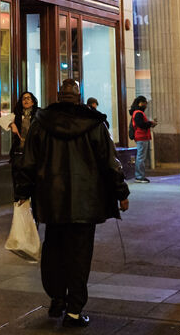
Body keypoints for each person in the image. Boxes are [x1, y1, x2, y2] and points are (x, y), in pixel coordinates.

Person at [16, 78, 129, 328]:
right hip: (85, 201)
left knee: (54, 249)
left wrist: (23, 191)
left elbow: (28, 161)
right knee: (80, 254)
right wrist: (122, 192)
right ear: (79, 96)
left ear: (58, 95)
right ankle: (75, 310)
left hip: (51, 199)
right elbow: (110, 162)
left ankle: (57, 298)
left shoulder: (41, 123)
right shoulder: (95, 123)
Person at [9, 91, 38, 198]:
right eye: (23, 98)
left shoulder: (38, 114)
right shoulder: (16, 115)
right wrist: (12, 124)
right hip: (19, 153)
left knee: (33, 180)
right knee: (18, 180)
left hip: (34, 153)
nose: (26, 100)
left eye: (28, 98)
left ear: (33, 101)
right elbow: (1, 120)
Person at [130, 96, 157, 182]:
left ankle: (140, 176)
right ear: (140, 103)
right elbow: (141, 124)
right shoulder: (138, 113)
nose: (146, 105)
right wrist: (150, 123)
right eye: (145, 103)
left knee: (141, 157)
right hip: (141, 137)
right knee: (140, 157)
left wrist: (149, 123)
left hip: (142, 137)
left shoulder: (137, 112)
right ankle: (139, 176)